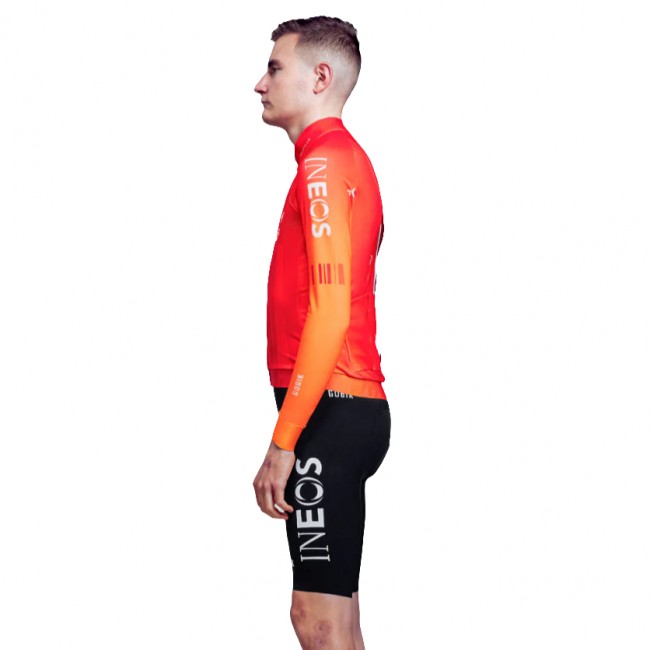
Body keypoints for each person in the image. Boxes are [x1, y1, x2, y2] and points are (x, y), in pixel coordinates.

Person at [252, 16, 391, 649]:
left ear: (320, 77)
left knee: (317, 621)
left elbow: (330, 312)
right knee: (340, 623)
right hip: (338, 407)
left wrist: (284, 442)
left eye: (274, 68)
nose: (260, 83)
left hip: (328, 412)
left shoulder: (325, 166)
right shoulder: (336, 161)